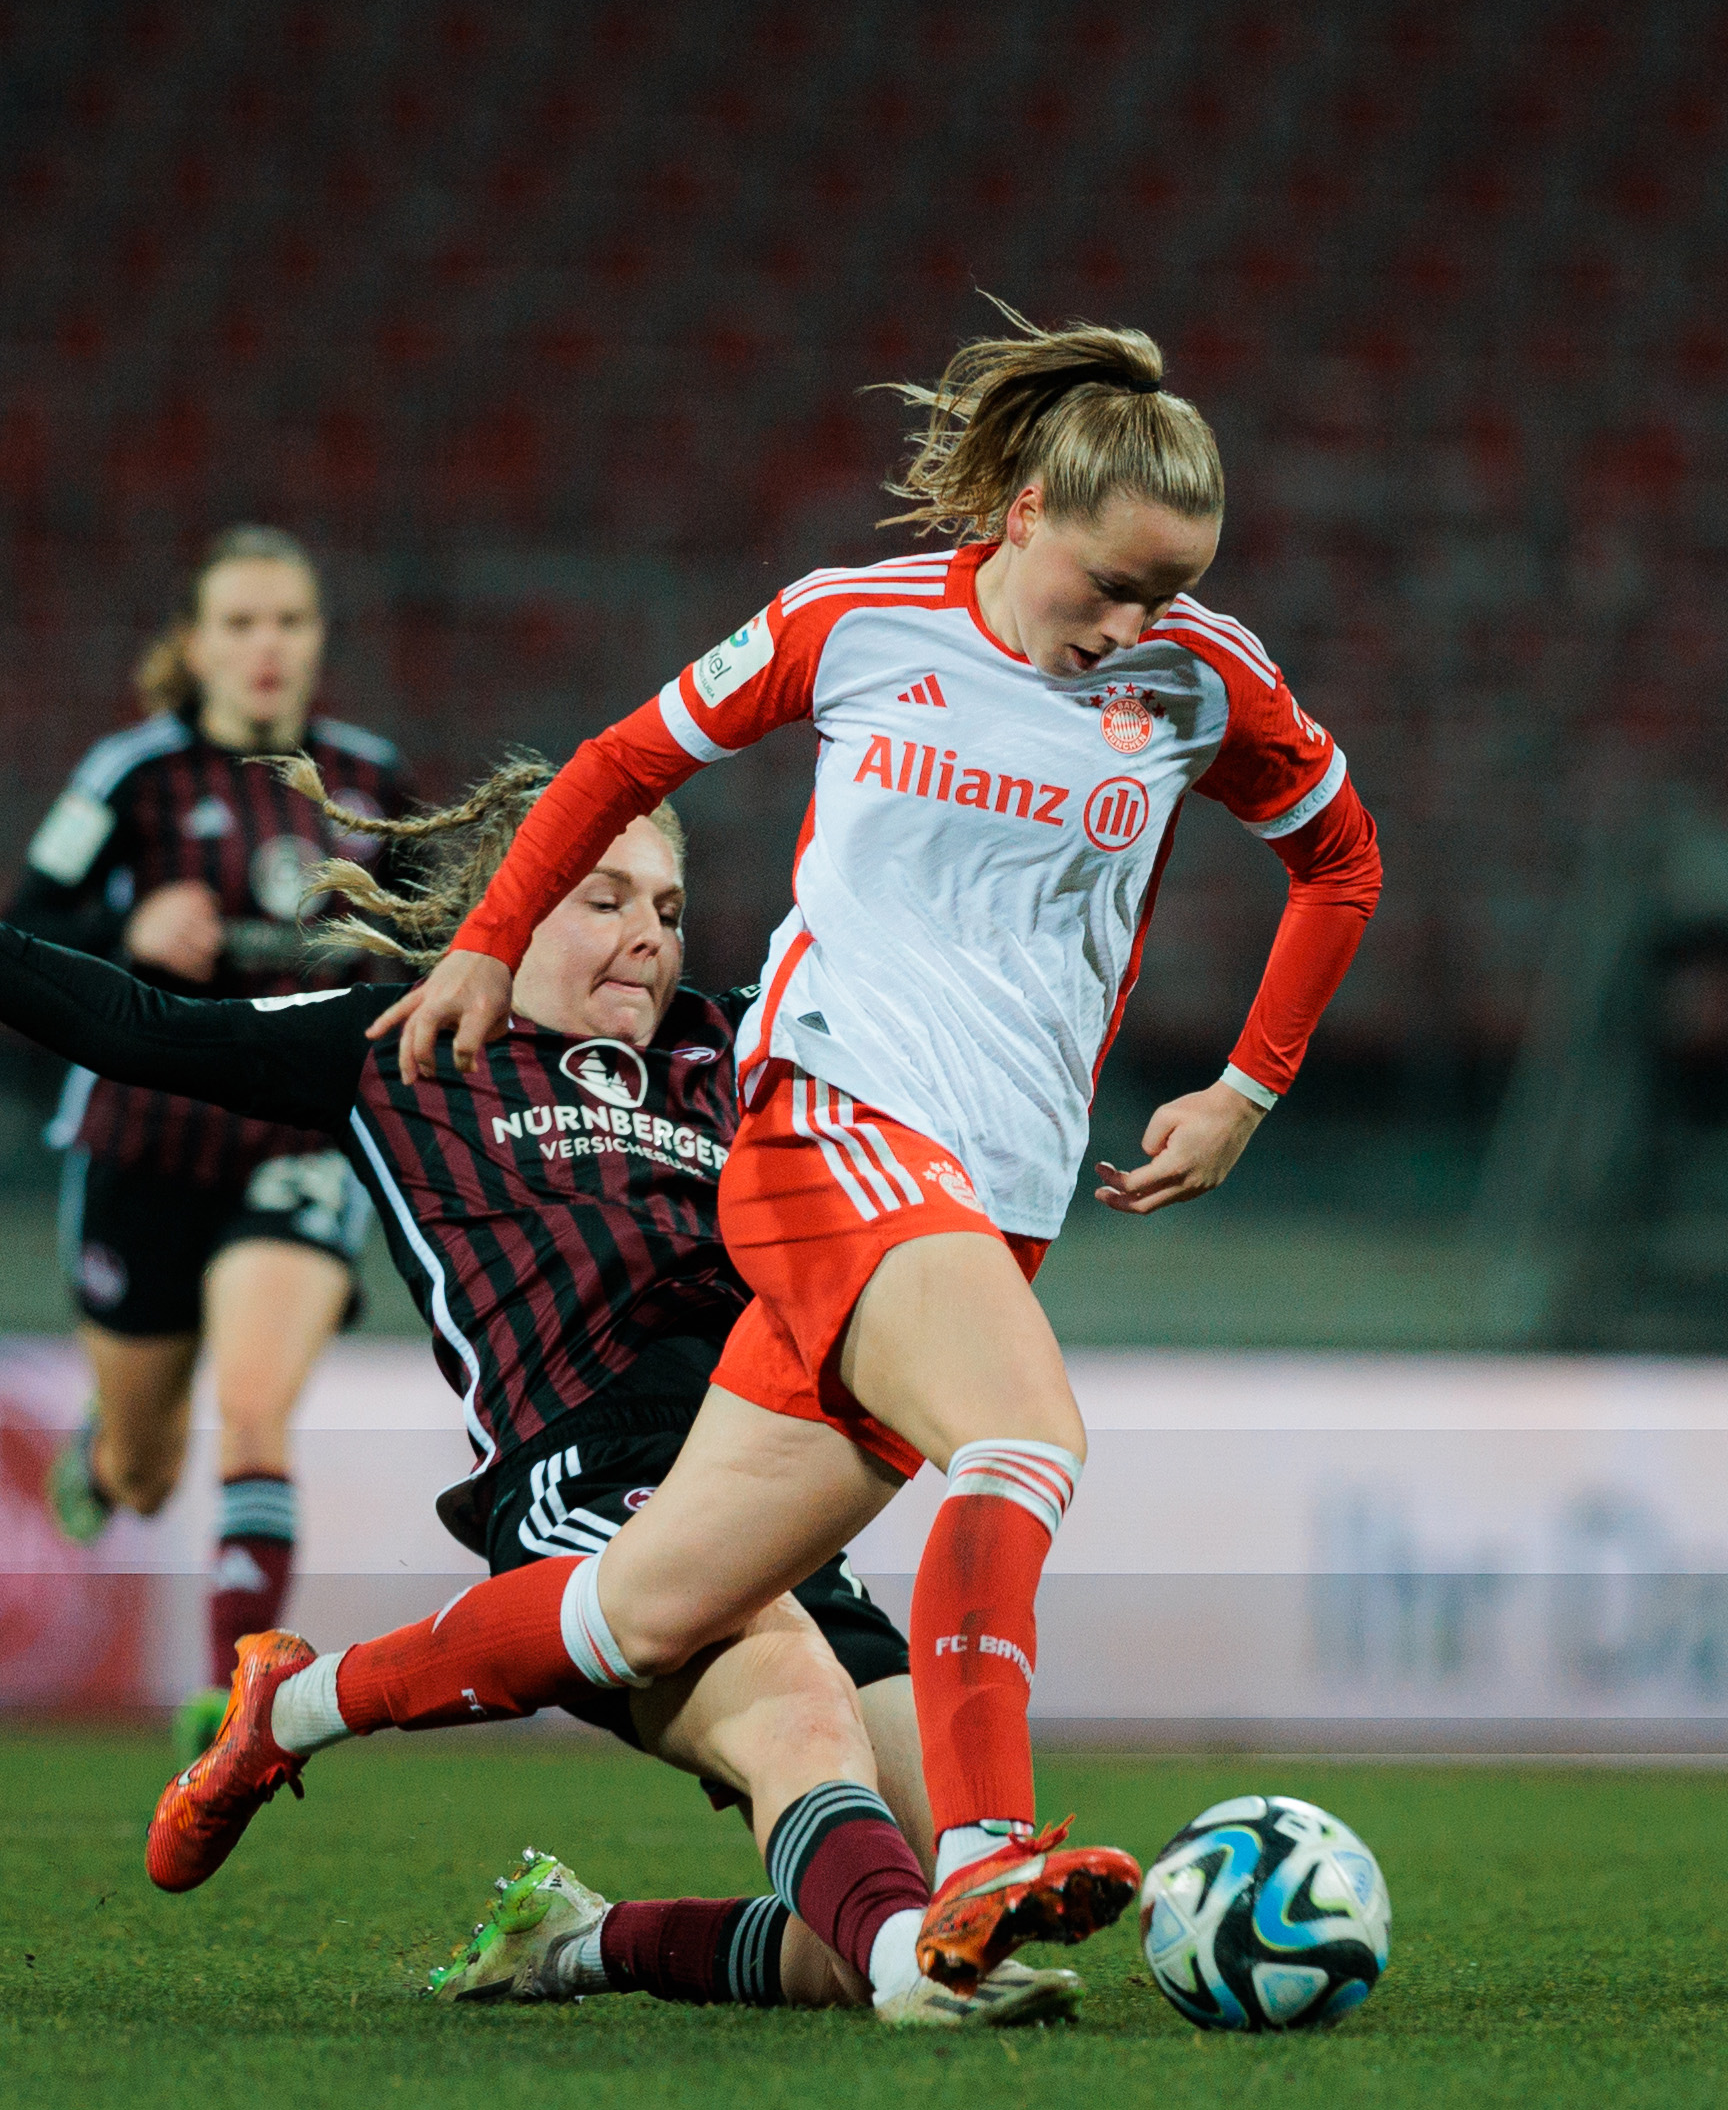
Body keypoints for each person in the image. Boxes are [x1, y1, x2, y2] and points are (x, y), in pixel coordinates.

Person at [144, 303, 1386, 1994]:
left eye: (1169, 589)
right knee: (1022, 1441)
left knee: (632, 1610)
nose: (1134, 622)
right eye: (1111, 582)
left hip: (990, 1199)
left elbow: (1339, 865)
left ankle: (284, 1711)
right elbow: (622, 759)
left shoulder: (1200, 679)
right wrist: (491, 942)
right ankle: (983, 1854)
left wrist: (1248, 1082)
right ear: (1019, 506)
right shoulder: (854, 624)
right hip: (830, 1128)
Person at [0, 767, 1072, 2026]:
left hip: (769, 1490)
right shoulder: (401, 1043)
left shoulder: (740, 1045)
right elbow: (131, 1025)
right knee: (798, 1717)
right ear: (513, 903)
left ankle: (584, 1940)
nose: (649, 935)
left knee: (880, 1909)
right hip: (581, 1477)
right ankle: (915, 1974)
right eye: (602, 896)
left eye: (665, 906)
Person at [4, 525, 419, 1748]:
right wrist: (129, 927)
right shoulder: (131, 776)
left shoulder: (373, 780)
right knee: (140, 1471)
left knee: (251, 1409)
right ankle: (111, 1445)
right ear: (194, 646)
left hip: (291, 1134)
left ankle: (233, 1708)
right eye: (240, 623)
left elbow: (454, 930)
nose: (267, 646)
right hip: (139, 1141)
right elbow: (26, 920)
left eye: (289, 621)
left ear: (318, 640)